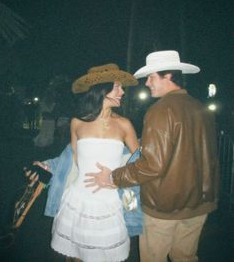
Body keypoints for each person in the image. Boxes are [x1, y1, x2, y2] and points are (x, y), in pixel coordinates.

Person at [84, 50, 220, 262]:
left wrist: (112, 177)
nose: (147, 83)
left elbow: (151, 165)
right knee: (185, 257)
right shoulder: (201, 108)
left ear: (168, 76)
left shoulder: (160, 110)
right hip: (199, 204)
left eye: (151, 77)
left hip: (164, 206)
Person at [33, 63, 140, 262]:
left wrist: (116, 178)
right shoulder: (77, 122)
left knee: (107, 256)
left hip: (112, 202)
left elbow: (140, 163)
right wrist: (48, 166)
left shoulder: (124, 124)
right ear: (102, 89)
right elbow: (71, 158)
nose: (122, 92)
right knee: (75, 255)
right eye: (117, 86)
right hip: (78, 200)